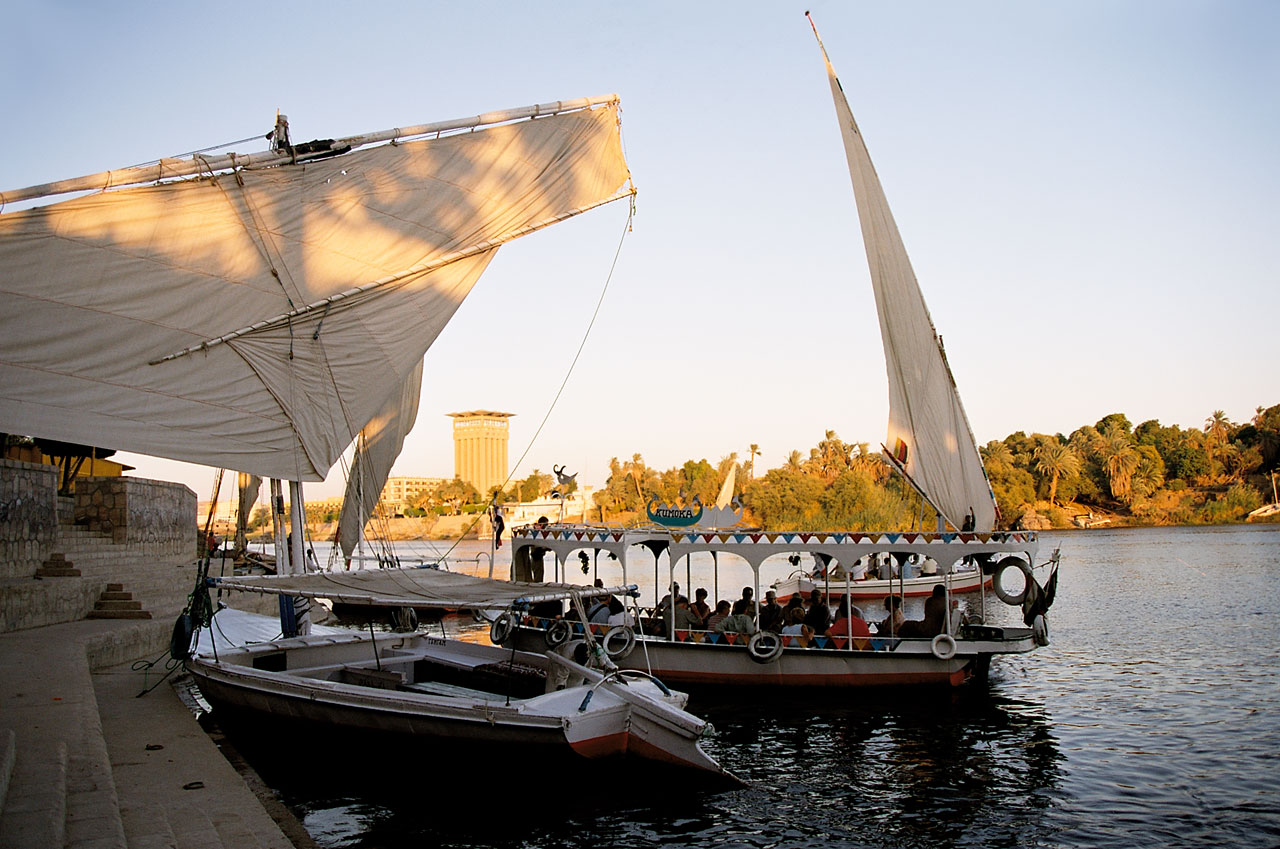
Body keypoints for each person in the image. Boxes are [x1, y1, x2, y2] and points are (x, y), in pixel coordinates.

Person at [529, 516, 549, 581]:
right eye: (546, 524)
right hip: (536, 558)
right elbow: (538, 547)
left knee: (539, 575)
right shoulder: (537, 533)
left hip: (537, 558)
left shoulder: (539, 533)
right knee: (538, 577)